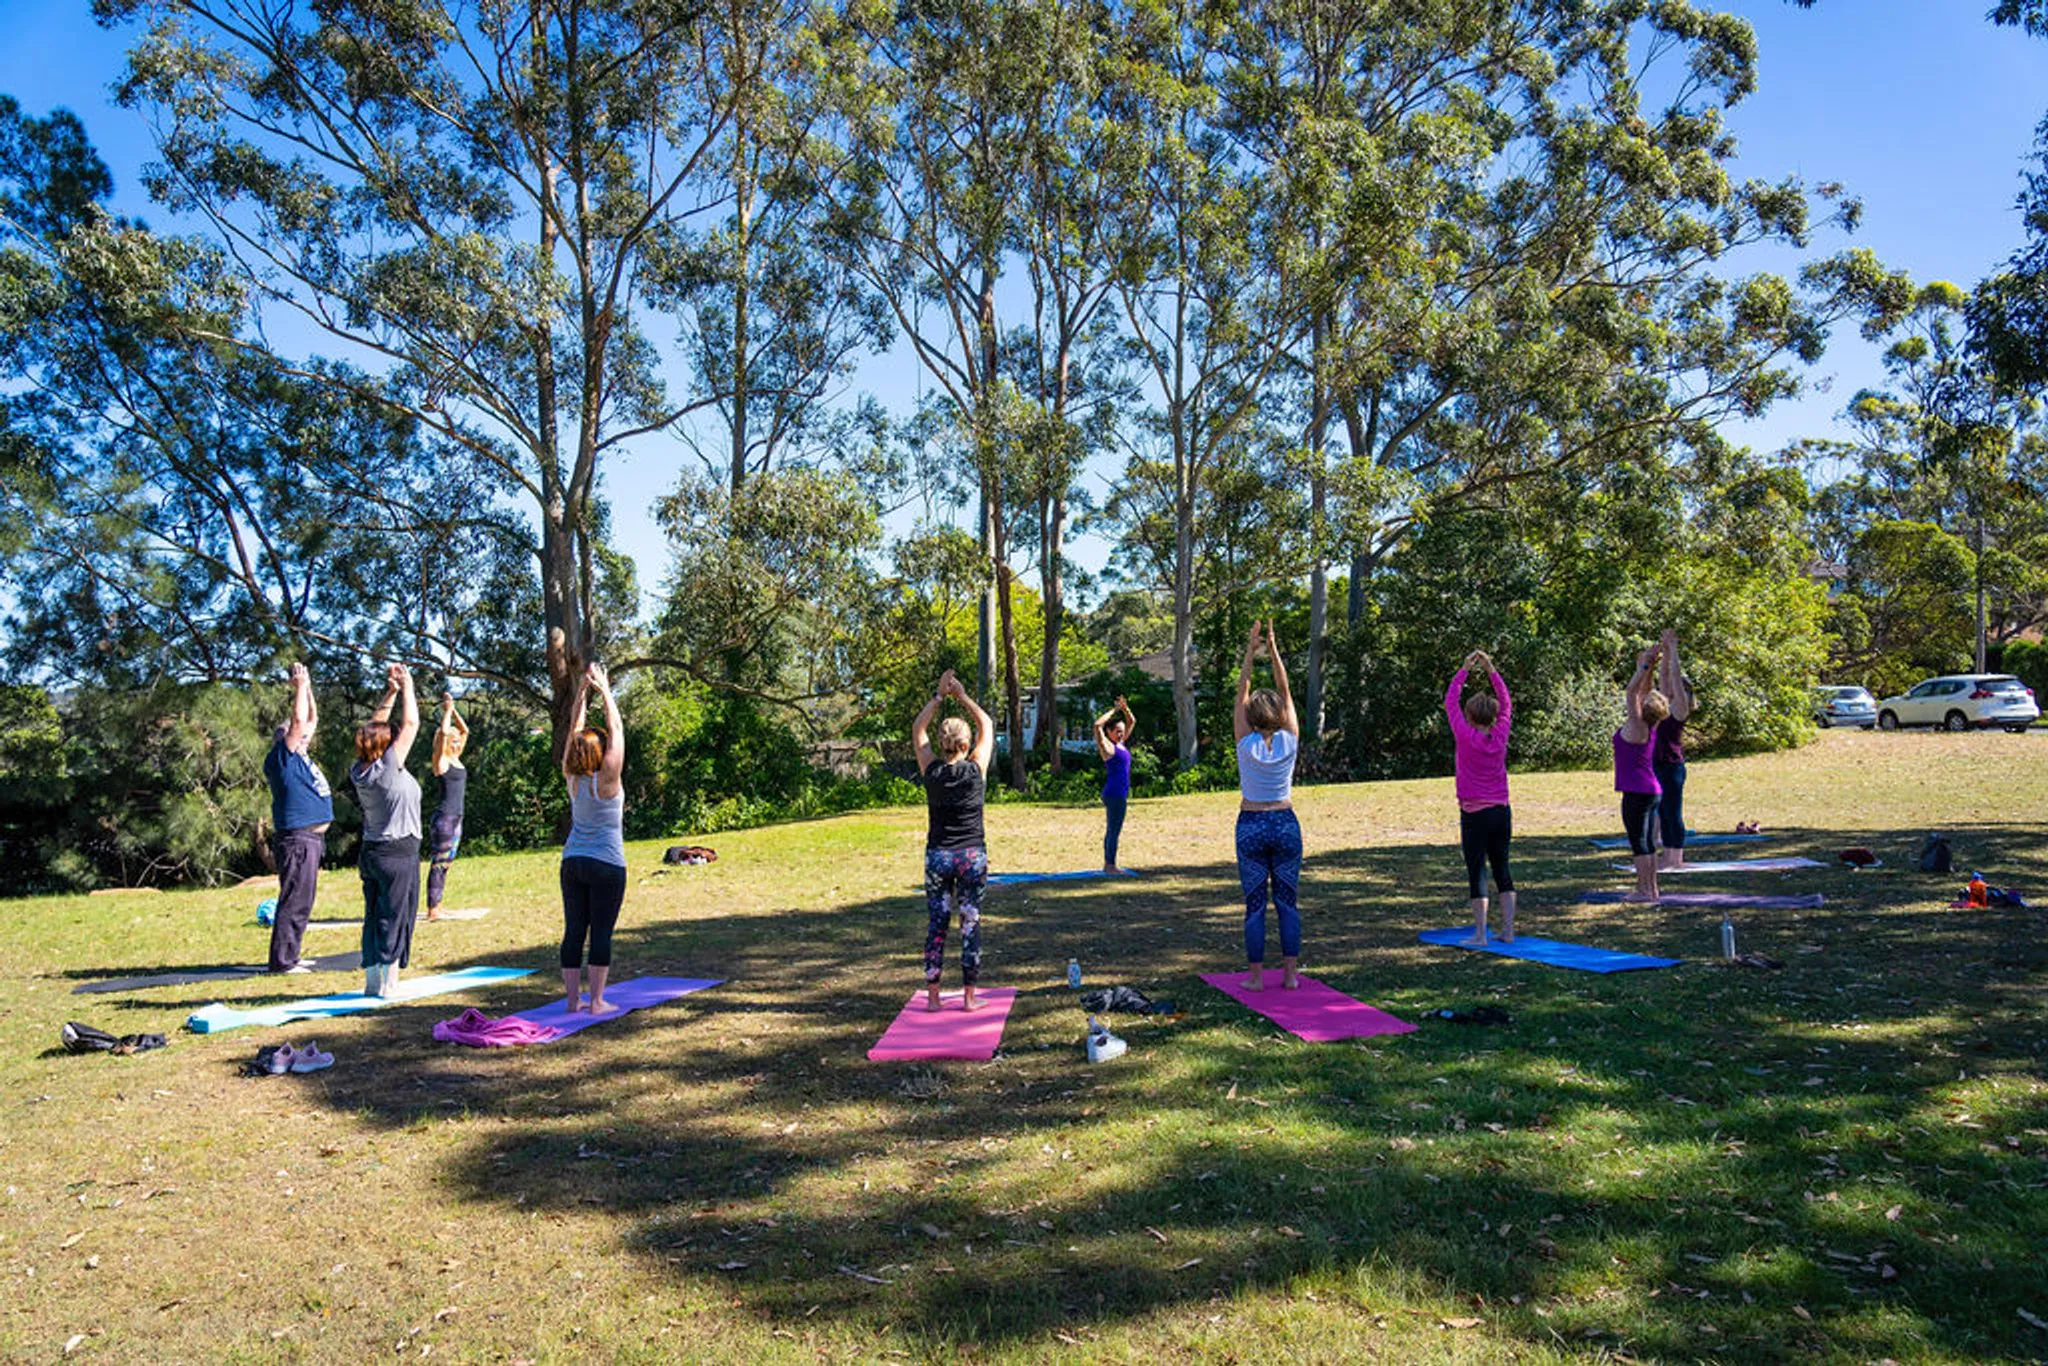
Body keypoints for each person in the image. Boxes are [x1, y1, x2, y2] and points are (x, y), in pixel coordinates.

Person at [911, 669, 994, 1011]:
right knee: (970, 923)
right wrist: (961, 696)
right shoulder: (976, 768)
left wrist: (938, 696)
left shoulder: (930, 770)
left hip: (939, 858)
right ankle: (969, 998)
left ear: (942, 744)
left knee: (937, 925)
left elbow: (918, 729)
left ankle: (933, 999)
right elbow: (986, 725)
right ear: (964, 744)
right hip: (971, 856)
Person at [1233, 620, 1302, 991]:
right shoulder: (1291, 739)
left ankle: (1257, 978)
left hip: (1252, 824)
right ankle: (1290, 976)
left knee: (1255, 905)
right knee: (1288, 903)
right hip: (1286, 823)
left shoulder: (1245, 741)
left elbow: (1242, 689)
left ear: (1250, 716)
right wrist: (1273, 649)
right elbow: (1285, 689)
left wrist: (1250, 649)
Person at [351, 662, 422, 996]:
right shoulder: (390, 767)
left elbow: (373, 728)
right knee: (395, 915)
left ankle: (370, 981)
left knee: (374, 914)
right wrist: (408, 684)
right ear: (386, 746)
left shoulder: (359, 770)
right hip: (397, 852)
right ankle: (388, 984)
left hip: (372, 851)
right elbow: (411, 723)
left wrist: (390, 691)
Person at [560, 662, 628, 1014]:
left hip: (572, 862)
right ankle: (597, 1001)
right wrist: (604, 690)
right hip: (606, 864)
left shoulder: (571, 778)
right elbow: (616, 728)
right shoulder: (608, 780)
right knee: (600, 932)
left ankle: (573, 1002)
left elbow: (574, 731)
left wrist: (581, 694)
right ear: (600, 754)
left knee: (574, 931)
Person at [265, 662, 333, 974]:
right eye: (299, 735)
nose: (306, 736)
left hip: (309, 838)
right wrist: (301, 687)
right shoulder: (282, 758)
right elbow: (298, 720)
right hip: (298, 838)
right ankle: (283, 961)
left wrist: (310, 687)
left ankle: (291, 954)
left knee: (303, 898)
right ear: (286, 738)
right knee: (294, 899)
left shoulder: (299, 757)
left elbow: (310, 719)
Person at [1446, 649, 1515, 944]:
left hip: (1474, 814)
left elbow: (1450, 702)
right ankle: (1508, 932)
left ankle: (1480, 933)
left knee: (1477, 871)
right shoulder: (1500, 734)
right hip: (1501, 811)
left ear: (1470, 716)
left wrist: (1464, 670)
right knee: (1502, 868)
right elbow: (1507, 704)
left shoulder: (1464, 734)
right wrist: (1491, 670)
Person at [1615, 645, 1670, 903]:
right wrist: (1651, 664)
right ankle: (1653, 889)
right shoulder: (1651, 725)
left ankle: (1643, 890)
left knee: (1639, 843)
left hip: (1636, 792)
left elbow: (1631, 690)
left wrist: (1644, 666)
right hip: (1652, 791)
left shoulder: (1636, 725)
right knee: (1648, 842)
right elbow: (1645, 693)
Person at [423, 693, 471, 921]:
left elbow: (466, 731)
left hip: (457, 817)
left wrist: (455, 713)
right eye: (452, 741)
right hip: (444, 818)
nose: (456, 742)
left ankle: (438, 905)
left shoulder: (457, 759)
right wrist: (447, 711)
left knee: (447, 863)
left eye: (456, 740)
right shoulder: (440, 761)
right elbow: (443, 734)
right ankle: (432, 909)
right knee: (439, 863)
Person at [1653, 628, 1696, 871]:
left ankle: (1675, 858)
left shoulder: (1680, 708)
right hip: (1658, 764)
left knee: (1672, 812)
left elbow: (1674, 677)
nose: (1670, 687)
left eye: (1676, 687)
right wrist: (1664, 653)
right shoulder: (1664, 705)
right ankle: (1667, 855)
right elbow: (1664, 678)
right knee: (1662, 810)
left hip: (1671, 767)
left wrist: (1674, 651)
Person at [1092, 695, 1137, 874]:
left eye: (1122, 731)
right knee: (1113, 830)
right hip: (1114, 794)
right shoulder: (1108, 748)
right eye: (1117, 731)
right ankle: (1109, 865)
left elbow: (1132, 720)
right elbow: (1097, 725)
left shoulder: (1121, 744)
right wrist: (1114, 711)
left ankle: (1109, 864)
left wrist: (1124, 709)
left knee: (1114, 829)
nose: (1120, 734)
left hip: (1119, 793)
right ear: (1109, 732)